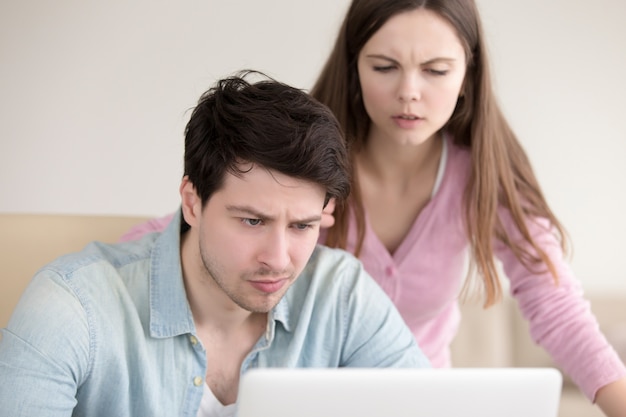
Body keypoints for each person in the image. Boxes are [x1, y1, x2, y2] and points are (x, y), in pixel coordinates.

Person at [117, 1, 626, 415]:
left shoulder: (485, 174)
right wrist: (106, 276)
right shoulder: (308, 163)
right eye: (384, 67)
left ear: (468, 74)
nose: (409, 93)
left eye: (436, 70)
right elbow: (207, 223)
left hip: (415, 399)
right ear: (354, 65)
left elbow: (557, 307)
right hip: (303, 398)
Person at [0, 71, 430, 417]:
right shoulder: (72, 308)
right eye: (251, 220)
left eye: (302, 226)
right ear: (192, 201)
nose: (278, 259)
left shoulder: (342, 294)